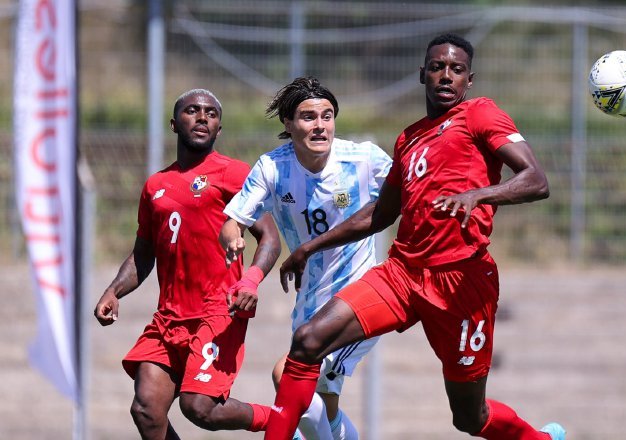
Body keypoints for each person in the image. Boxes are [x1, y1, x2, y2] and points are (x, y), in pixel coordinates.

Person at [266, 34, 567, 440]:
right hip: (402, 274)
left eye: (456, 69)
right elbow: (381, 213)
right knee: (307, 341)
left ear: (469, 79)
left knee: (469, 417)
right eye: (437, 67)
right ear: (422, 74)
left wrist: (478, 195)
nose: (446, 75)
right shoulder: (408, 139)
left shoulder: (481, 115)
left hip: (462, 282)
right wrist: (309, 246)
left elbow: (536, 180)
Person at [94, 88, 283, 440]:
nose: (202, 117)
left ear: (219, 128)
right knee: (146, 408)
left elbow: (270, 238)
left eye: (211, 113)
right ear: (173, 124)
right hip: (169, 316)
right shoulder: (156, 186)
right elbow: (142, 254)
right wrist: (113, 289)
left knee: (199, 407)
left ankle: (282, 421)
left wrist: (250, 282)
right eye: (192, 111)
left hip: (217, 311)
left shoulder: (234, 174)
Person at [219, 76, 392, 440]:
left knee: (288, 377)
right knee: (321, 407)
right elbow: (234, 220)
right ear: (288, 123)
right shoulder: (273, 168)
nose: (320, 126)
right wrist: (233, 236)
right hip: (311, 302)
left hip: (362, 296)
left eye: (327, 116)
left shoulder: (362, 159)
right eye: (309, 117)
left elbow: (414, 192)